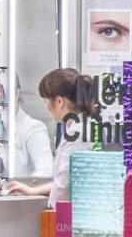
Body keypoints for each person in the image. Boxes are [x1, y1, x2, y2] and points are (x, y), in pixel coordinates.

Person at [11, 68, 98, 201]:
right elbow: (64, 180)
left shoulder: (76, 136)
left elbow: (64, 188)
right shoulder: (83, 127)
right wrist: (33, 191)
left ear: (59, 102)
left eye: (45, 100)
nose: (45, 105)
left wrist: (49, 207)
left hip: (74, 209)